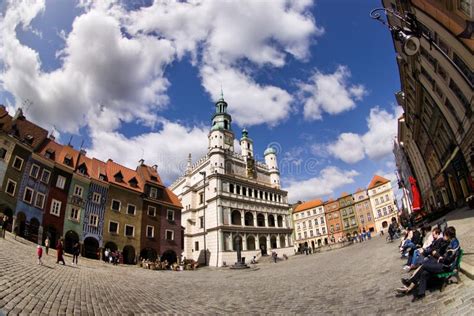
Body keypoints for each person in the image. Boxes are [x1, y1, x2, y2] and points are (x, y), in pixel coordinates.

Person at [397, 226, 460, 301]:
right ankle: (421, 293)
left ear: (448, 235)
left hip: (446, 267)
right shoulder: (451, 241)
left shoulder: (454, 244)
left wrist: (441, 258)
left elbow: (448, 259)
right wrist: (440, 256)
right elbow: (442, 253)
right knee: (424, 272)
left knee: (424, 265)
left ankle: (410, 282)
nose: (443, 236)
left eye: (445, 235)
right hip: (443, 264)